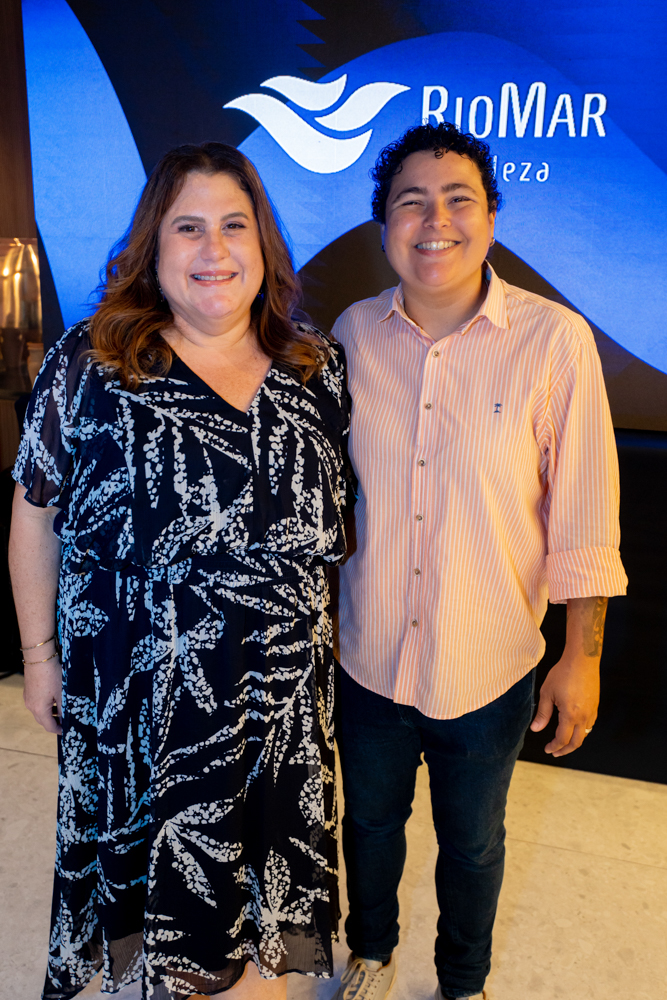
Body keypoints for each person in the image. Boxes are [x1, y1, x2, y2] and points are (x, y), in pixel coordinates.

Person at [9, 142, 351, 999]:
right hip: (136, 708)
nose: (214, 249)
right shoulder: (92, 364)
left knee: (267, 940)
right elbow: (33, 518)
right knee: (152, 940)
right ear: (152, 251)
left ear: (263, 244)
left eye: (234, 225)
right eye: (188, 227)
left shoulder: (315, 370)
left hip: (277, 715)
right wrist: (41, 655)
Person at [331, 122, 627, 1000]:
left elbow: (583, 516)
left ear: (491, 217)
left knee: (472, 841)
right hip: (369, 654)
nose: (434, 220)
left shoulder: (554, 341)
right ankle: (371, 950)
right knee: (370, 826)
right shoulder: (349, 334)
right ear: (383, 225)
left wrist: (582, 658)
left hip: (488, 663)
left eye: (458, 199)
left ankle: (463, 981)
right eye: (409, 202)